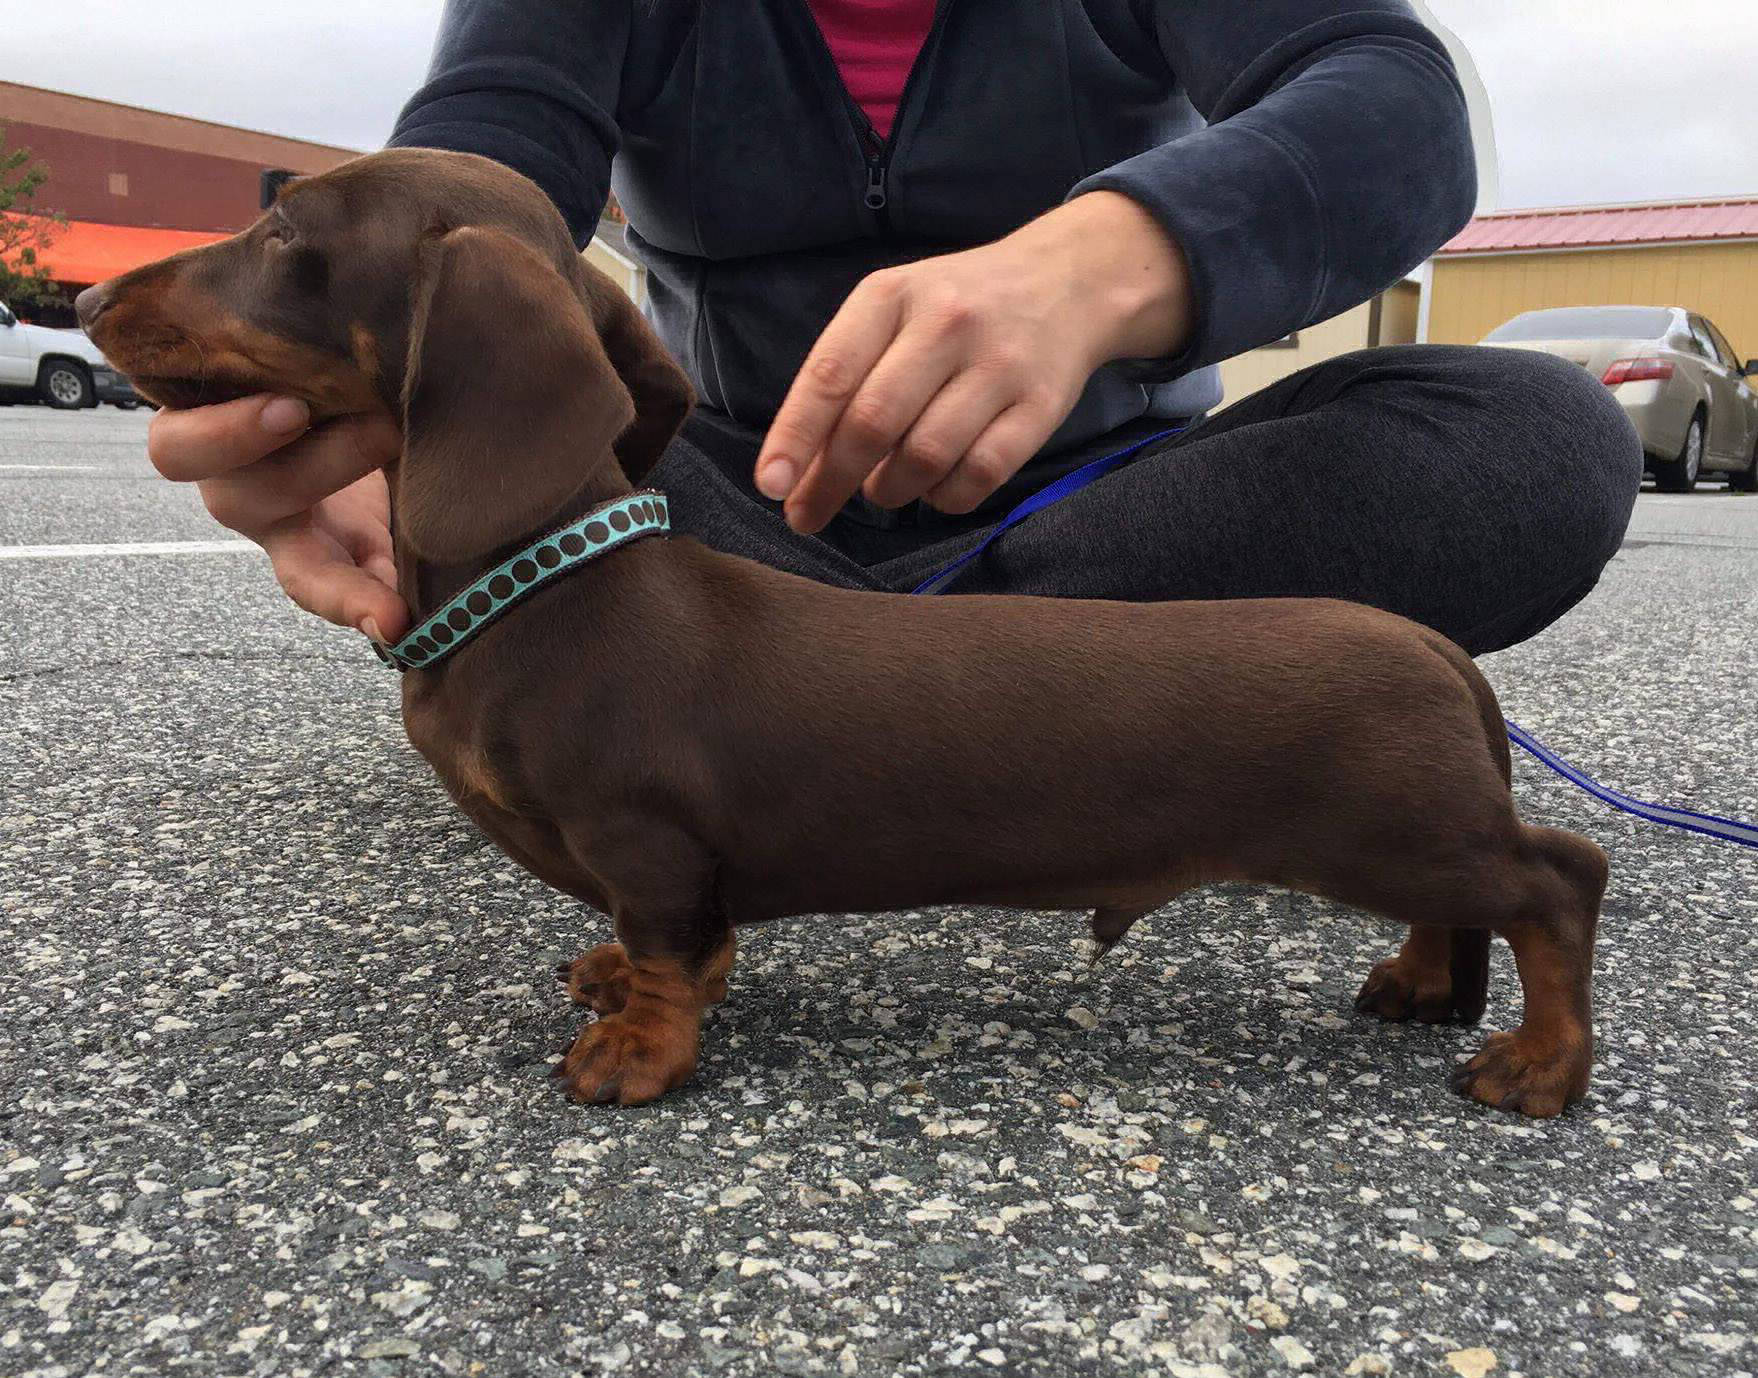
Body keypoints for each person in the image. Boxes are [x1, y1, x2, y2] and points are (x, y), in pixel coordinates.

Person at [146, 1, 1640, 655]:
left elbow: (1386, 93)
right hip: (721, 510)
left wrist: (1104, 262)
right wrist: (355, 412)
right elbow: (487, 152)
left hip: (1100, 510)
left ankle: (831, 697)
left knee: (1534, 436)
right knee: (517, 462)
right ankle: (1003, 701)